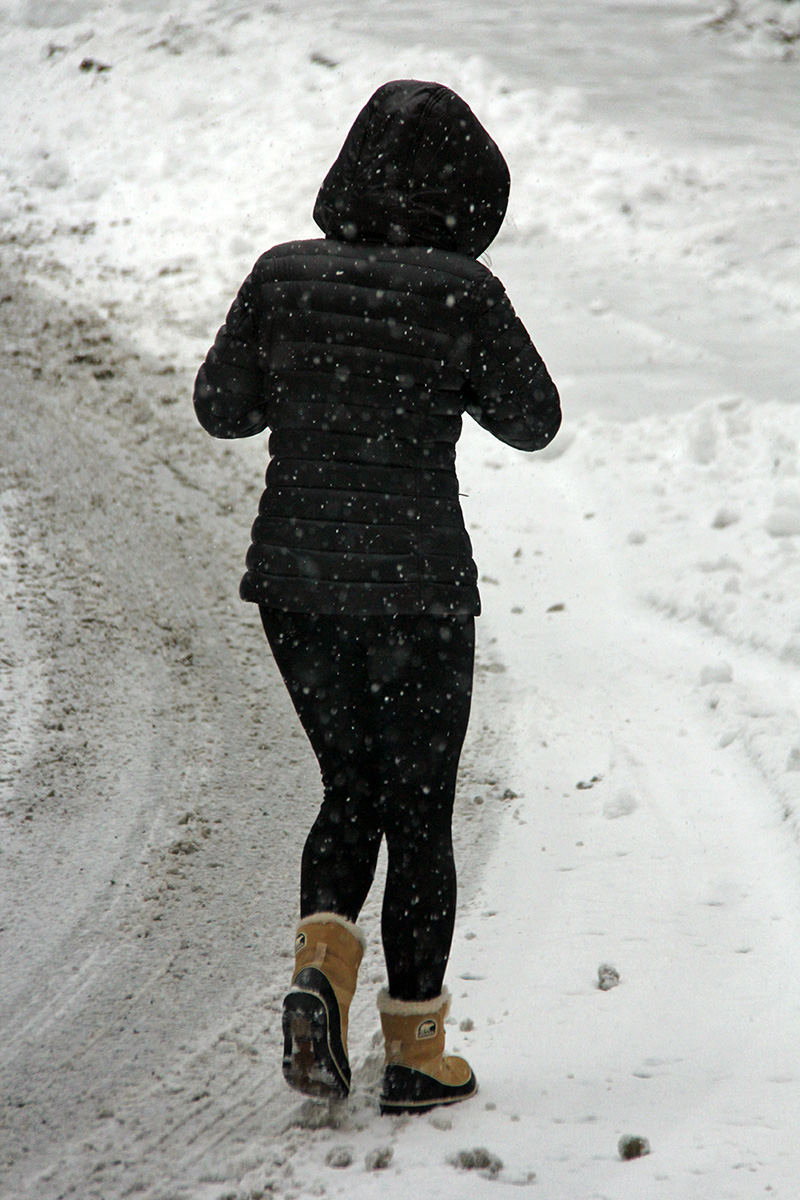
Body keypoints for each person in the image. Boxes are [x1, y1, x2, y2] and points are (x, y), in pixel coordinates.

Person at [194, 79, 561, 1115]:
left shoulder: (283, 275)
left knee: (349, 786)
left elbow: (221, 409)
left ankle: (320, 975)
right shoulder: (461, 292)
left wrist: (306, 372)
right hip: (416, 592)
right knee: (419, 809)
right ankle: (415, 1053)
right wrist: (443, 359)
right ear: (468, 189)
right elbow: (533, 420)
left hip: (298, 587)